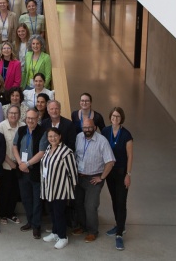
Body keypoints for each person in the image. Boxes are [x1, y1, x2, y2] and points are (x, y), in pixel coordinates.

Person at [72, 117, 116, 243]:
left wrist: (101, 177)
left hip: (94, 179)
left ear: (95, 128)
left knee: (90, 206)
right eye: (85, 127)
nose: (87, 130)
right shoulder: (79, 137)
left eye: (90, 127)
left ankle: (92, 232)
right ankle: (83, 226)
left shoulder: (102, 141)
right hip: (79, 177)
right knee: (79, 203)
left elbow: (110, 161)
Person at [40, 127, 79, 250]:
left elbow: (73, 172)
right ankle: (55, 232)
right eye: (50, 136)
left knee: (59, 213)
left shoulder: (66, 152)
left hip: (60, 189)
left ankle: (63, 237)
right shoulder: (48, 149)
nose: (53, 138)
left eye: (55, 136)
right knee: (52, 211)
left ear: (60, 136)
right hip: (49, 188)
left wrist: (72, 189)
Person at [101, 107, 134, 251]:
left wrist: (128, 174)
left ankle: (119, 234)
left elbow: (130, 156)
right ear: (110, 117)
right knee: (114, 199)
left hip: (121, 173)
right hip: (110, 172)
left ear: (122, 118)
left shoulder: (126, 135)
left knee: (121, 201)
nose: (115, 118)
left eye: (118, 116)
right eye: (113, 116)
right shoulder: (105, 131)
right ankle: (119, 225)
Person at [13, 108, 44, 240]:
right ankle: (30, 222)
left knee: (37, 201)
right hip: (22, 171)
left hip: (35, 171)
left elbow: (42, 152)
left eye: (33, 118)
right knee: (26, 199)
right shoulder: (21, 130)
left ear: (38, 119)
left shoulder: (42, 132)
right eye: (28, 118)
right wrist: (20, 163)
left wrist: (27, 164)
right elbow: (14, 146)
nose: (30, 120)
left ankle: (36, 226)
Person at [0, 105, 23, 225]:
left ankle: (11, 213)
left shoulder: (23, 126)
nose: (13, 115)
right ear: (7, 114)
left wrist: (20, 163)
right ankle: (2, 214)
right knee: (4, 190)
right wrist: (10, 162)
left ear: (19, 115)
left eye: (16, 113)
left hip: (20, 164)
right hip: (5, 164)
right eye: (11, 113)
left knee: (15, 191)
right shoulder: (1, 126)